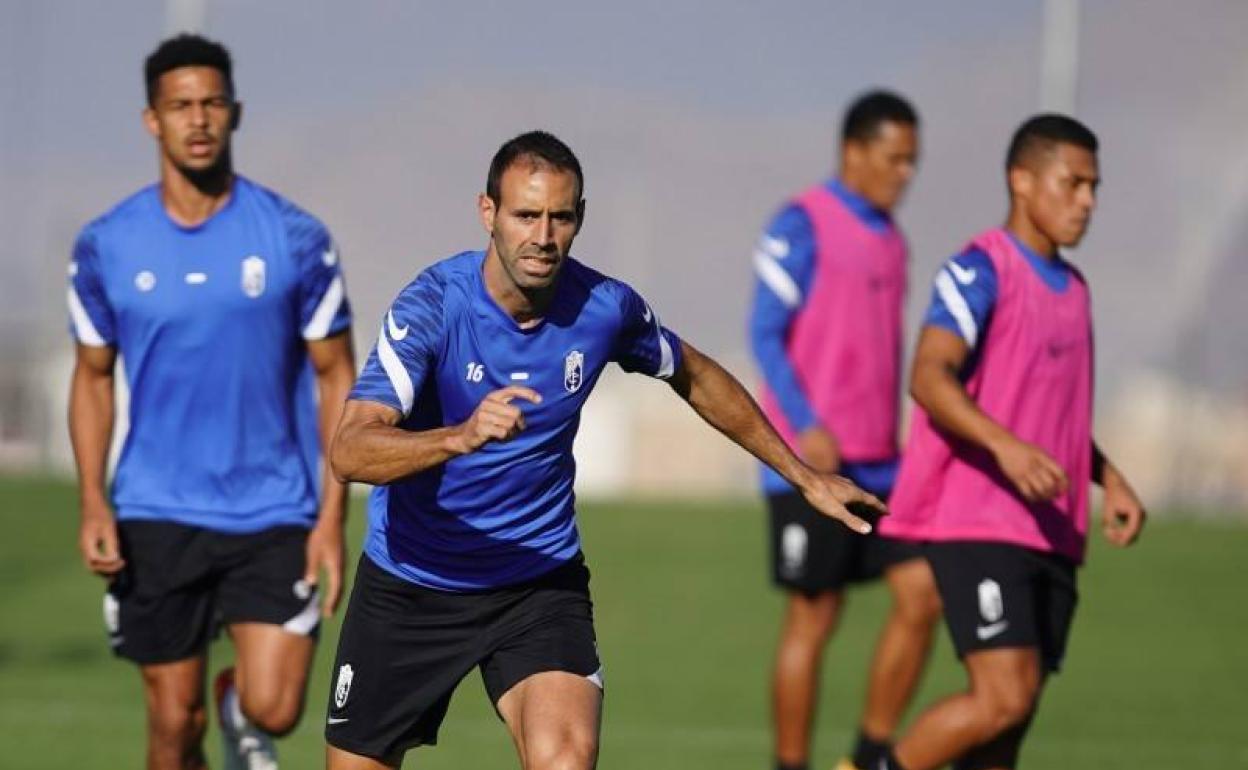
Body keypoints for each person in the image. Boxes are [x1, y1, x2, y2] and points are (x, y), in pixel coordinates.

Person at [323, 130, 886, 770]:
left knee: (566, 759)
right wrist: (459, 436)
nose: (542, 235)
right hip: (414, 581)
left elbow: (695, 374)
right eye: (525, 215)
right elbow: (350, 449)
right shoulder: (431, 308)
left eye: (560, 217)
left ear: (579, 219)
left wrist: (804, 476)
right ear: (488, 213)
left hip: (535, 581)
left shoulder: (604, 308)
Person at [67, 34, 356, 770]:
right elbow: (93, 377)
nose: (198, 119)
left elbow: (336, 378)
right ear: (152, 121)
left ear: (236, 113)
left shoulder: (294, 238)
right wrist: (94, 502)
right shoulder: (107, 244)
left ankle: (240, 710)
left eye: (212, 103)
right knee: (172, 724)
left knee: (276, 707)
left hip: (273, 508)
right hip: (154, 510)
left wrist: (331, 518)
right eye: (180, 106)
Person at [876, 114, 1146, 770]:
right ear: (1021, 179)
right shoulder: (979, 270)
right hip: (979, 519)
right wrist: (1006, 448)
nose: (1087, 200)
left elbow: (1050, 414)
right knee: (1002, 695)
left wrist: (1108, 477)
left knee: (1005, 735)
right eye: (1073, 182)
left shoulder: (1075, 290)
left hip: (1052, 529)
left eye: (1094, 186)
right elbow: (929, 375)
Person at [749, 90, 941, 770]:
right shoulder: (801, 223)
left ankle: (866, 758)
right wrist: (806, 428)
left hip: (884, 465)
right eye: (894, 158)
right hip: (809, 466)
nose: (906, 174)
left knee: (923, 594)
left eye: (914, 161)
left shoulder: (893, 237)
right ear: (854, 151)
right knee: (814, 617)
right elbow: (764, 333)